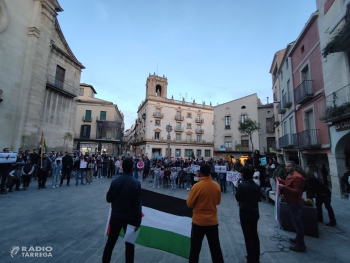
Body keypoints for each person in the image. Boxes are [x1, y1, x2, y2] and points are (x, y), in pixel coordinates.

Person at [102, 158, 142, 263]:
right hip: (131, 218)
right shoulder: (136, 183)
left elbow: (108, 198)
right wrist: (138, 221)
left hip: (116, 216)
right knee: (129, 245)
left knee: (110, 243)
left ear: (122, 167)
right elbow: (137, 205)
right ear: (132, 168)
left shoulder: (115, 180)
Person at [186, 164, 224, 263]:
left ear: (200, 173)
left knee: (195, 248)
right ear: (210, 172)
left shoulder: (196, 186)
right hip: (212, 221)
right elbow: (218, 202)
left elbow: (189, 204)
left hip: (198, 222)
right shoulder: (216, 186)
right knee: (215, 248)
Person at [277, 161, 306, 253]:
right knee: (295, 221)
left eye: (289, 166)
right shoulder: (289, 175)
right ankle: (298, 239)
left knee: (298, 222)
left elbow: (297, 191)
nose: (287, 168)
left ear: (294, 166)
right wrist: (280, 181)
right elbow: (287, 183)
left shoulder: (297, 177)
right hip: (290, 201)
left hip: (295, 202)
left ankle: (301, 245)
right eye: (286, 166)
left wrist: (284, 187)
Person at [235, 166, 260, 263]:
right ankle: (256, 257)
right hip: (255, 212)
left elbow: (238, 198)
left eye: (241, 173)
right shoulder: (256, 186)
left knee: (248, 236)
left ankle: (250, 257)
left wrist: (237, 188)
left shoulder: (242, 185)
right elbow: (258, 199)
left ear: (244, 174)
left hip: (245, 212)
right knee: (254, 234)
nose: (240, 174)